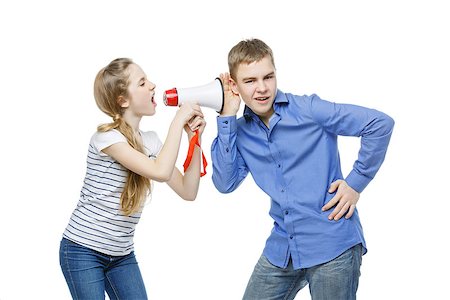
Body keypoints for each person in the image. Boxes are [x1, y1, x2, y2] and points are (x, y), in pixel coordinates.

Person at [211, 39, 394, 300]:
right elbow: (225, 183)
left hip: (332, 243)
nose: (262, 88)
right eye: (250, 81)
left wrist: (356, 183)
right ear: (234, 85)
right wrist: (227, 116)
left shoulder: (309, 109)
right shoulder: (238, 132)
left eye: (268, 77)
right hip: (283, 247)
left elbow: (379, 124)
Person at [60, 58, 206, 299]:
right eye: (142, 83)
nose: (152, 85)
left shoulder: (150, 141)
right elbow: (160, 171)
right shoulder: (106, 139)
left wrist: (194, 140)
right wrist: (178, 120)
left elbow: (188, 191)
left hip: (121, 254)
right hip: (82, 249)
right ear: (123, 100)